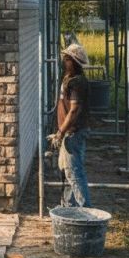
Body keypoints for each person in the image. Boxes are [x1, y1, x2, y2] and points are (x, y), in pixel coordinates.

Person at [50, 43, 92, 207]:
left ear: (73, 61)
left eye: (66, 58)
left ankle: (85, 211)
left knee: (74, 173)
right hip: (70, 132)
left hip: (73, 133)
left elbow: (74, 110)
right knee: (67, 172)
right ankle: (68, 207)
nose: (63, 61)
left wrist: (61, 132)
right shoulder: (70, 79)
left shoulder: (77, 82)